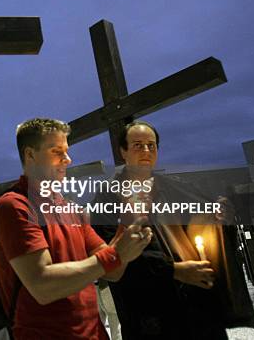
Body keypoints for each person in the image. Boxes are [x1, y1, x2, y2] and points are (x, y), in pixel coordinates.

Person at [0, 118, 153, 339]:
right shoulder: (14, 206)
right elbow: (42, 285)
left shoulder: (72, 210)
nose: (68, 159)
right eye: (57, 151)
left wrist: (128, 220)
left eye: (66, 151)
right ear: (30, 155)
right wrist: (114, 255)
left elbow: (114, 272)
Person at [91, 120, 233, 340]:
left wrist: (216, 216)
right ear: (123, 151)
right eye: (138, 145)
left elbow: (201, 225)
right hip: (150, 316)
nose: (146, 150)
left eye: (152, 145)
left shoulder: (178, 189)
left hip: (197, 312)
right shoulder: (108, 197)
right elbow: (110, 256)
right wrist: (172, 270)